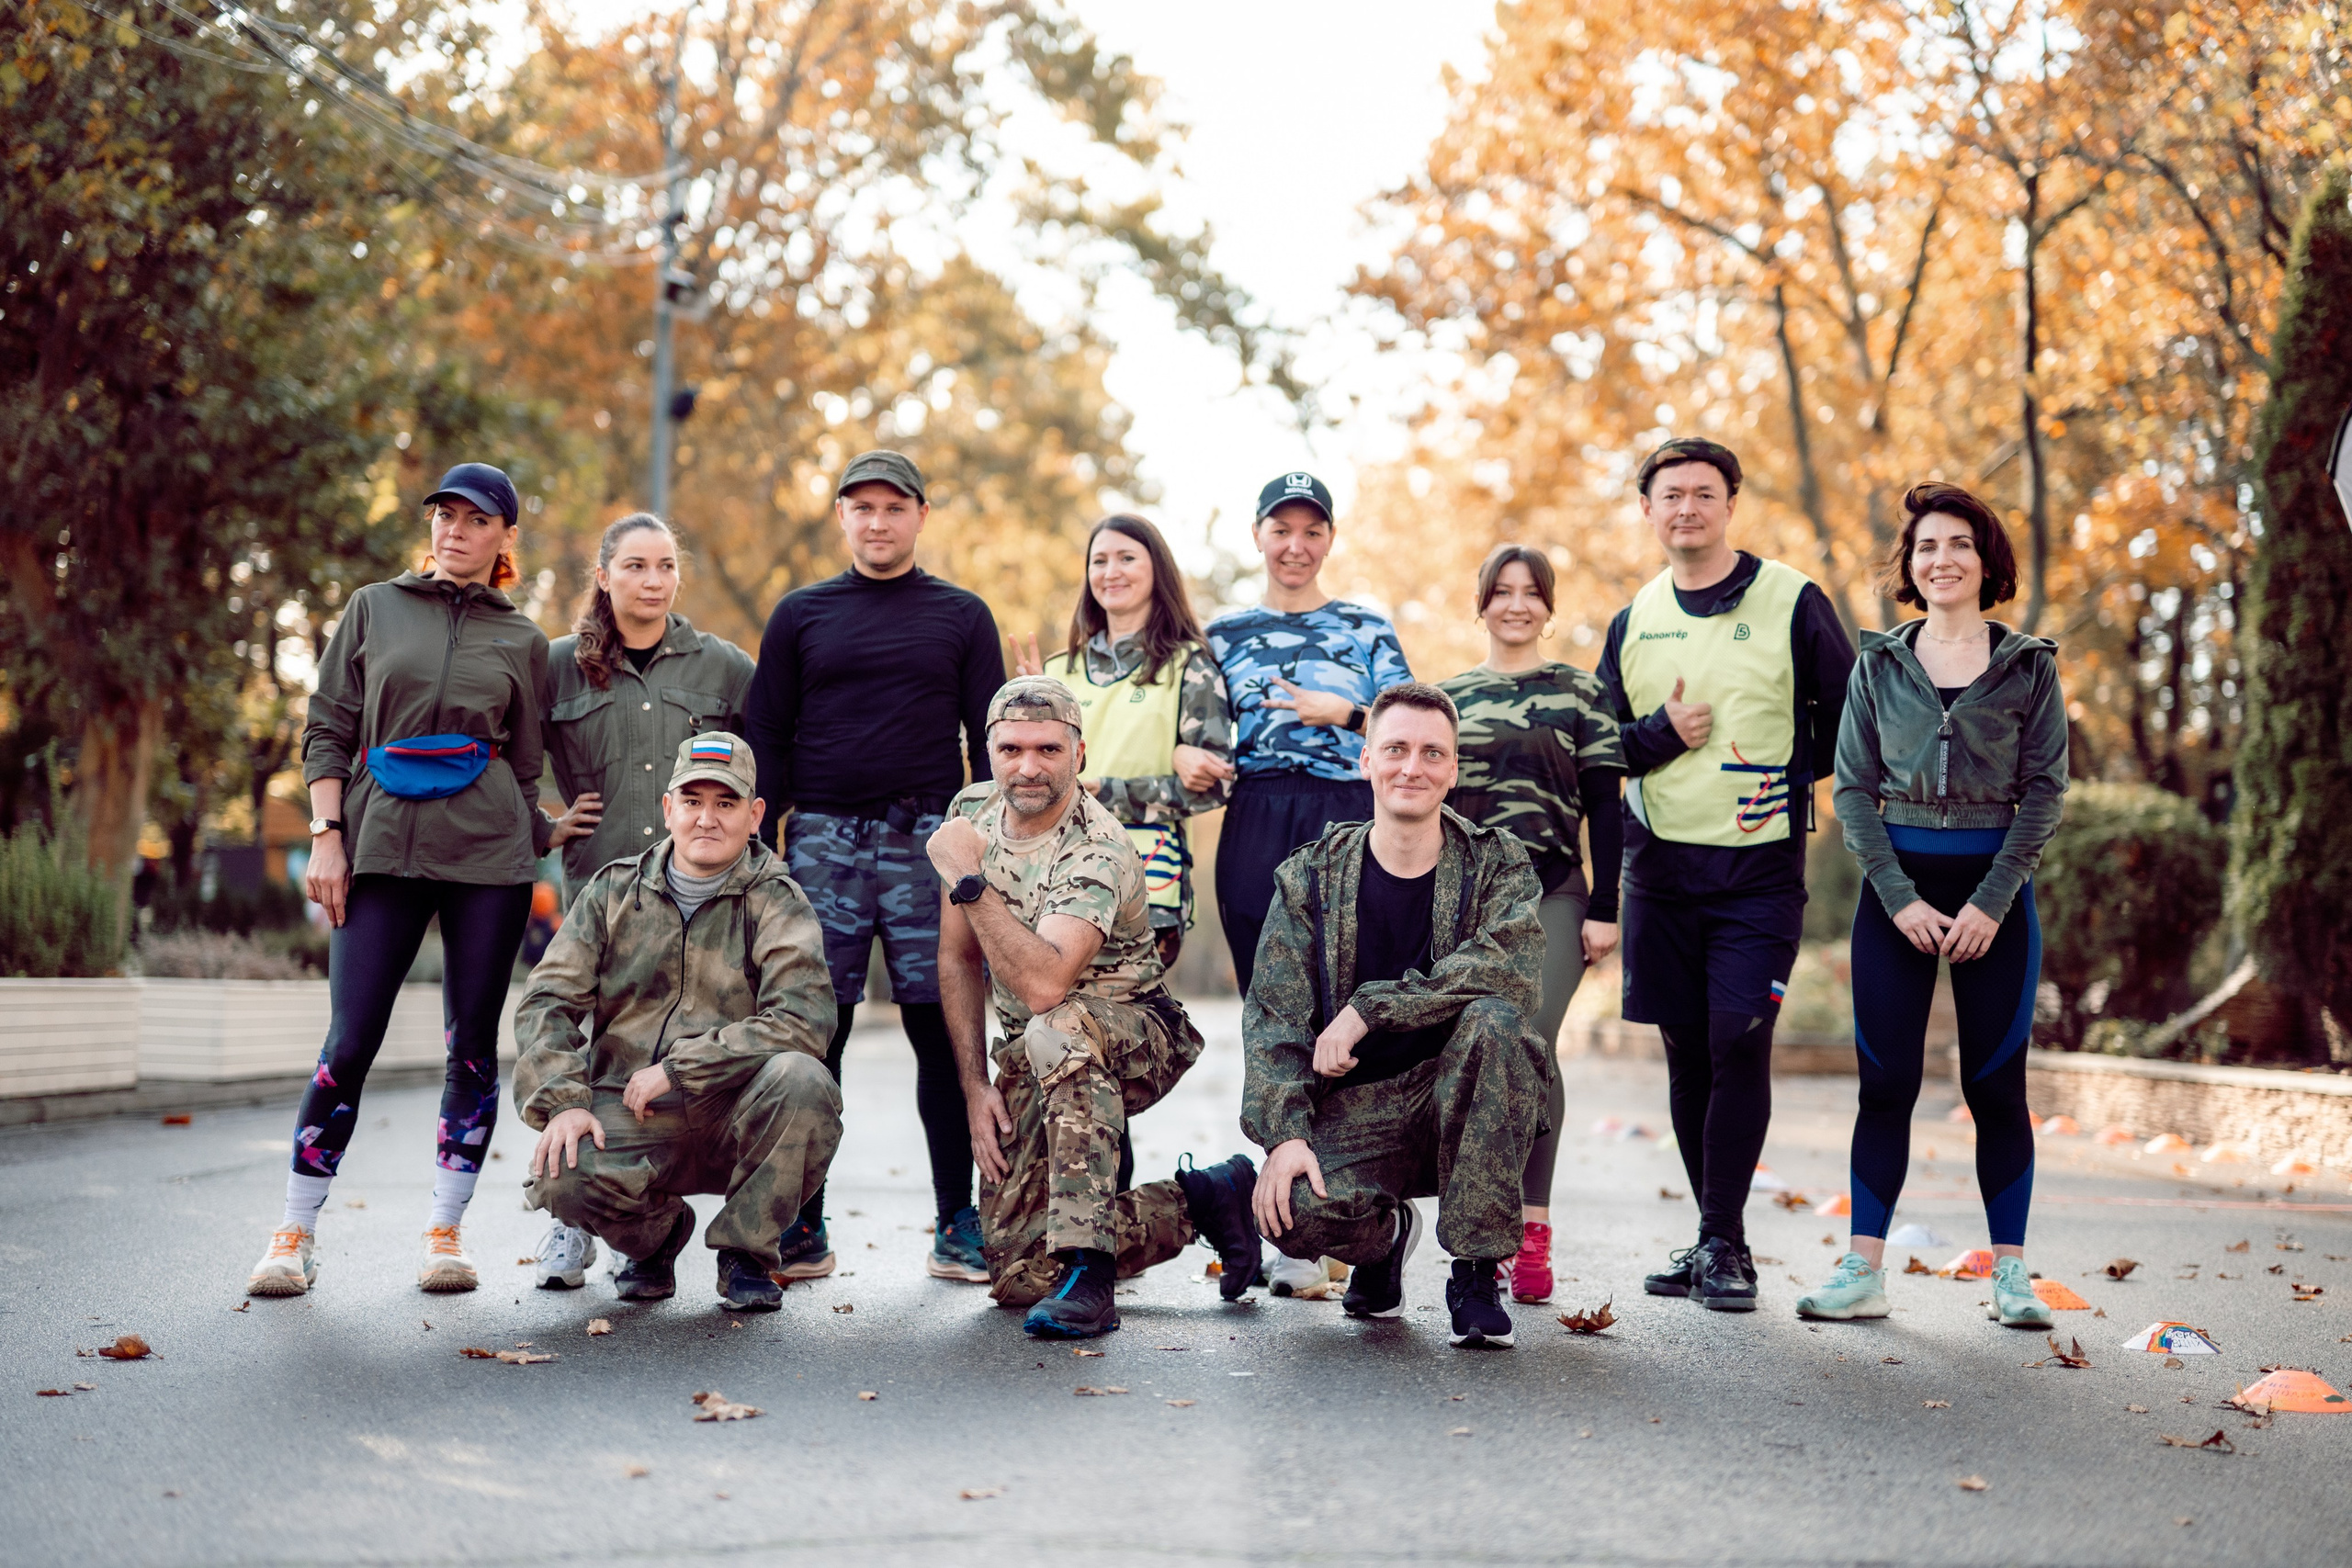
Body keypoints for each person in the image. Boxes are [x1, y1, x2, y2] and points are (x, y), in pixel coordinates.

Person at [248, 463, 581, 1297]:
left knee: (471, 1047)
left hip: (489, 862)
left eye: (475, 519)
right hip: (379, 847)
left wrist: (543, 826)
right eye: (444, 514)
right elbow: (328, 727)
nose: (454, 529)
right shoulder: (373, 607)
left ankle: (445, 1232)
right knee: (348, 1040)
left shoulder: (523, 640)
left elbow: (527, 762)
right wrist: (328, 835)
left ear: (505, 536)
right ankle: (293, 1232)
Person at [1798, 484, 2066, 1329]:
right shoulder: (1878, 666)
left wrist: (1992, 901)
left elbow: (2044, 792)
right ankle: (1862, 1270)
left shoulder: (2031, 666)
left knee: (1997, 1090)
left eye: (1958, 545)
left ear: (1987, 563)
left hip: (1998, 903)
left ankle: (2012, 1276)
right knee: (1887, 1086)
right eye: (1925, 547)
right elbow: (1853, 789)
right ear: (1909, 566)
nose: (1940, 559)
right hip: (1895, 904)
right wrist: (1900, 897)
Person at [1595, 437, 1854, 1311]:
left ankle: (1724, 1243)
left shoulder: (1792, 600)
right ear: (1648, 511)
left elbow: (1847, 713)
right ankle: (1714, 1233)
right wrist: (1663, 734)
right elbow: (1601, 750)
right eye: (1671, 495)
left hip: (1758, 873)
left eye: (1704, 493)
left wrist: (1787, 773)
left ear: (1730, 505)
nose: (1687, 508)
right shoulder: (1635, 617)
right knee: (1685, 1051)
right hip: (1659, 869)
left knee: (1739, 1037)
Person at [931, 676, 1263, 1339]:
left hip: (1137, 1031)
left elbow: (1047, 984)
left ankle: (1092, 1273)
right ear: (988, 752)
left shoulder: (1098, 844)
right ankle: (1206, 1201)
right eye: (1012, 748)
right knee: (1018, 1274)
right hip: (1039, 1048)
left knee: (1058, 1025)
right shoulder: (971, 810)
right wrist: (973, 1086)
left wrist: (970, 880)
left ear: (1079, 755)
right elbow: (958, 957)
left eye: (1049, 749)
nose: (1029, 766)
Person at [743, 450, 1003, 1286]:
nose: (878, 521)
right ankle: (803, 1221)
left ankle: (958, 1220)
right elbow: (767, 734)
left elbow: (988, 743)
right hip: (819, 841)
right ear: (844, 518)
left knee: (943, 1028)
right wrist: (761, 840)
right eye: (862, 507)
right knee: (820, 1032)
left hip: (929, 839)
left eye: (894, 506)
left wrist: (980, 845)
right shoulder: (800, 614)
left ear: (920, 515)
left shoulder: (962, 616)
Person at [1241, 682, 1549, 1348]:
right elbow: (1274, 1018)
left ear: (1454, 769)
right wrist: (1286, 1134)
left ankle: (1474, 1271)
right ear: (1366, 761)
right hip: (1358, 1110)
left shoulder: (1497, 863)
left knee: (1498, 1022)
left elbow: (1511, 970)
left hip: (1460, 1096)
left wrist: (1368, 1008)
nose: (1413, 766)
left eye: (1432, 752)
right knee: (1288, 1213)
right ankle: (1383, 1244)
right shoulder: (1310, 878)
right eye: (1397, 749)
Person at [514, 733, 842, 1312]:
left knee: (805, 1081)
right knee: (560, 1173)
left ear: (754, 815)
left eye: (725, 803)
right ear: (668, 809)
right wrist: (564, 1101)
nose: (706, 819)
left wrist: (683, 1068)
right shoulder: (613, 891)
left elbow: (804, 1019)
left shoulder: (779, 901)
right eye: (692, 801)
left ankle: (746, 1252)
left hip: (734, 1110)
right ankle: (655, 1239)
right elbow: (547, 1001)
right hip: (632, 1109)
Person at [531, 512, 755, 1290]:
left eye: (665, 566)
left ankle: (683, 1221)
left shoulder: (723, 667)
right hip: (601, 892)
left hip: (701, 900)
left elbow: (763, 773)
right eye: (634, 566)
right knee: (592, 1050)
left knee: (688, 1052)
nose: (652, 581)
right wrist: (545, 824)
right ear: (604, 575)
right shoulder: (557, 667)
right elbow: (501, 750)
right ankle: (573, 1223)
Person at [1438, 545, 1625, 1303]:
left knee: (1531, 1046)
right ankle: (1479, 1227)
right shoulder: (1447, 697)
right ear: (1480, 602)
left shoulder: (1581, 693)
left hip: (1553, 893)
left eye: (1531, 593)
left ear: (1549, 606)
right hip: (1467, 901)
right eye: (1502, 591)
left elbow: (1608, 805)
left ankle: (1533, 1230)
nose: (1517, 605)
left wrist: (1607, 905)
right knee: (1471, 1052)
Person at [1204, 472, 1412, 998]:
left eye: (1312, 532)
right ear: (1257, 535)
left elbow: (1414, 728)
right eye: (1281, 531)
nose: (1296, 547)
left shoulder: (1367, 628)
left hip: (1349, 808)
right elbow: (1191, 724)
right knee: (1264, 990)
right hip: (1256, 810)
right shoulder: (1220, 637)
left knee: (1352, 984)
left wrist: (1348, 715)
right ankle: (1273, 1084)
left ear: (1331, 539)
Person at [1012, 513, 1236, 970]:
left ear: (1157, 571)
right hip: (1051, 877)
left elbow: (1216, 786)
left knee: (1122, 1026)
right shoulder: (1056, 672)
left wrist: (1108, 794)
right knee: (1045, 1025)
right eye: (1099, 561)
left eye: (1127, 558)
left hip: (1145, 880)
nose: (1111, 572)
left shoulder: (1189, 667)